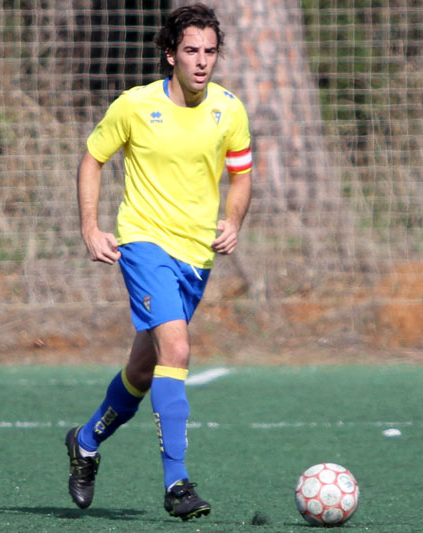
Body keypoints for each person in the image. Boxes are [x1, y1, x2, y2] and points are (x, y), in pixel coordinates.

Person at [66, 2, 253, 521]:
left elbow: (241, 174)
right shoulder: (134, 105)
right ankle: (177, 484)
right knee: (177, 345)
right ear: (171, 54)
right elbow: (92, 159)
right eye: (191, 51)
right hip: (144, 244)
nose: (201, 62)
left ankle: (84, 442)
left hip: (196, 258)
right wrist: (90, 227)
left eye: (210, 52)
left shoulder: (229, 109)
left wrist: (234, 220)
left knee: (144, 369)